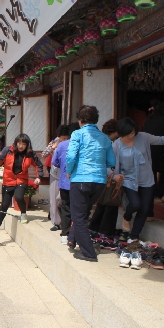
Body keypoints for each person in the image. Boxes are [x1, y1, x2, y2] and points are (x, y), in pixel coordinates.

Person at [113, 117, 164, 246]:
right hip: (128, 180)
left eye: (133, 133)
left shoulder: (143, 137)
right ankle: (127, 217)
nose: (132, 136)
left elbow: (160, 140)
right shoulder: (116, 145)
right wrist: (115, 177)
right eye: (129, 134)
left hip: (146, 179)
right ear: (122, 133)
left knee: (145, 209)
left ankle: (134, 236)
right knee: (135, 204)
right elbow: (110, 165)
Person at [66, 105, 116, 262]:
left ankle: (89, 252)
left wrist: (69, 170)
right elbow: (111, 161)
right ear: (96, 120)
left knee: (78, 217)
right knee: (85, 211)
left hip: (81, 179)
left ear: (80, 120)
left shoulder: (77, 134)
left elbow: (71, 156)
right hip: (99, 181)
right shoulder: (105, 138)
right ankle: (73, 239)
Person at [0, 134, 43, 240]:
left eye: (23, 144)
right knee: (4, 205)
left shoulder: (30, 154)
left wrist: (39, 176)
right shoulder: (8, 150)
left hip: (21, 180)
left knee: (19, 197)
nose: (21, 146)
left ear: (27, 145)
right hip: (8, 181)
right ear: (16, 143)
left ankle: (23, 213)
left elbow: (38, 165)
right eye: (19, 143)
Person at [88, 119, 120, 238]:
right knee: (111, 201)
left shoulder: (100, 139)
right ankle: (106, 231)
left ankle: (95, 227)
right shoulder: (107, 142)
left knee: (102, 202)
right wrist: (113, 174)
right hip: (106, 174)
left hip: (99, 175)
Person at [52, 123, 80, 244]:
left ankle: (64, 233)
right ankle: (75, 234)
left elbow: (55, 162)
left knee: (66, 207)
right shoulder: (83, 145)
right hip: (80, 182)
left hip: (64, 182)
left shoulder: (62, 145)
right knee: (79, 208)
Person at [143, 101, 164, 204]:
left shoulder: (148, 120)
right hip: (163, 153)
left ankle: (153, 197)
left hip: (149, 152)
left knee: (152, 177)